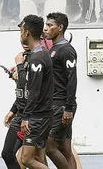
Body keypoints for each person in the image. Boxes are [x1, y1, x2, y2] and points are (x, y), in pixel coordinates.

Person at [42, 12, 77, 169]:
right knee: (65, 149)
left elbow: (72, 79)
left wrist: (68, 108)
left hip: (62, 105)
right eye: (46, 25)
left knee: (49, 147)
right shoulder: (53, 49)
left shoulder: (66, 50)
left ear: (60, 27)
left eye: (50, 25)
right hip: (56, 104)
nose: (46, 28)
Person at [18, 14, 53, 169]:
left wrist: (26, 116)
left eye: (21, 31)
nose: (20, 35)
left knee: (26, 159)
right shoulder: (41, 53)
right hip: (43, 115)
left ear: (27, 33)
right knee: (39, 157)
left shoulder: (37, 58)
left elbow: (34, 91)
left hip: (37, 117)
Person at [2, 50, 28, 169]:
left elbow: (34, 95)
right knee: (8, 154)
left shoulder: (40, 59)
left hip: (35, 117)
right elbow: (22, 94)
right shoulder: (23, 58)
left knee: (32, 159)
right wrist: (13, 110)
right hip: (21, 115)